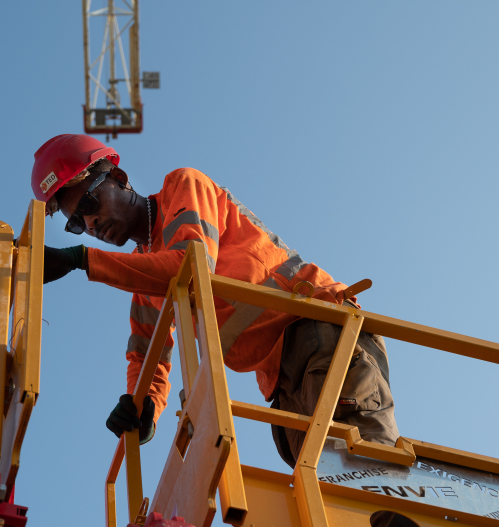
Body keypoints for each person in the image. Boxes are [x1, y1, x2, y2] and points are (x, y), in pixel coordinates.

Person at [31, 134, 399, 467]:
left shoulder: (183, 186)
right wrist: (142, 407)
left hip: (319, 329)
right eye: (77, 223)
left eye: (91, 202)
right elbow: (147, 354)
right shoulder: (145, 277)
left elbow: (191, 264)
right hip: (280, 379)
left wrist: (81, 259)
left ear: (119, 178)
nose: (91, 224)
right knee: (326, 490)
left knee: (366, 468)